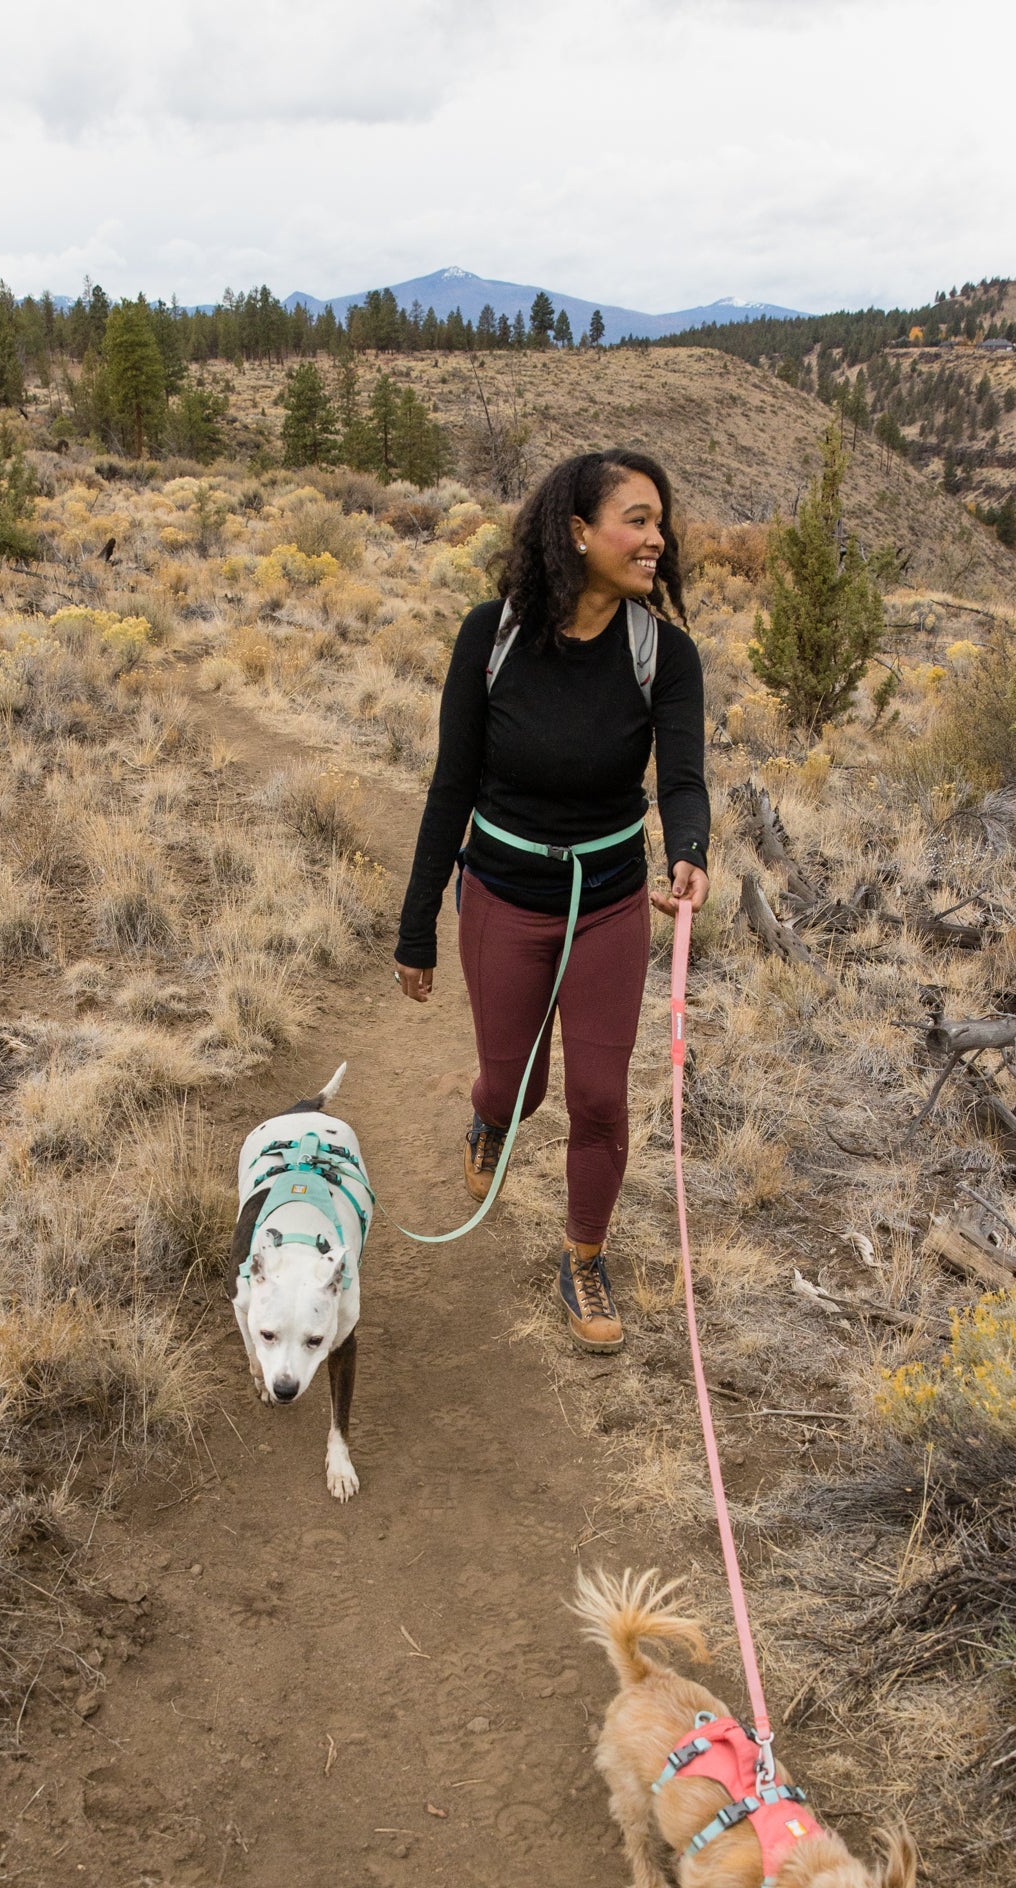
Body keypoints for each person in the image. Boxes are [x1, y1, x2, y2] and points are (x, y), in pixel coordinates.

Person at [394, 448, 710, 1354]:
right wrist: (418, 925)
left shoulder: (662, 654)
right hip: (503, 892)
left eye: (659, 522)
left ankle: (582, 1257)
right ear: (577, 532)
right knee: (521, 1083)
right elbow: (449, 785)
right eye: (636, 520)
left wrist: (687, 849)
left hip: (609, 899)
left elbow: (681, 780)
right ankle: (491, 1116)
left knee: (600, 1097)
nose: (656, 538)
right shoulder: (489, 638)